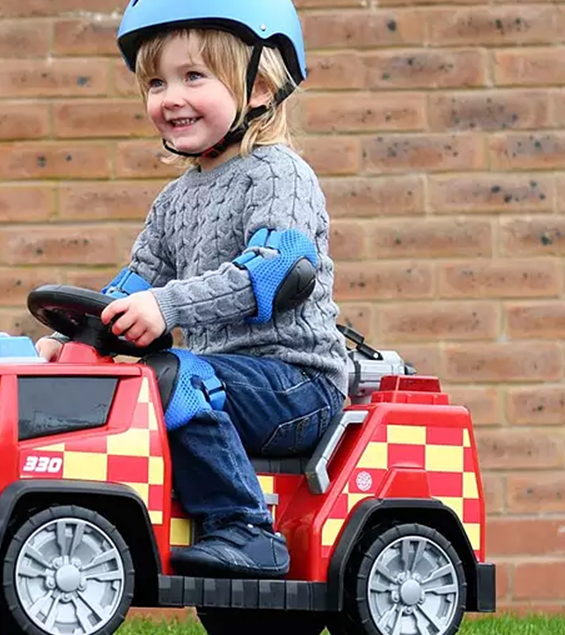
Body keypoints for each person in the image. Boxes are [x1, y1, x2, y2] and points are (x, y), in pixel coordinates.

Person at [35, 0, 349, 580]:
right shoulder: (174, 199)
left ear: (258, 88)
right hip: (223, 379)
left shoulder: (279, 174)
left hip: (295, 384)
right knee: (136, 376)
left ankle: (246, 530)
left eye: (193, 76)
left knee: (173, 374)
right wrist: (80, 338)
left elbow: (277, 273)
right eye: (156, 82)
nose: (170, 96)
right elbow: (134, 283)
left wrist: (168, 305)